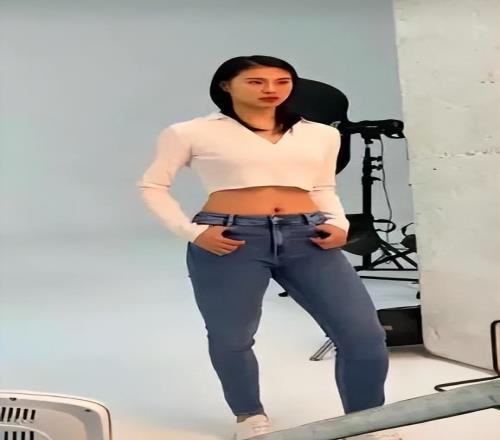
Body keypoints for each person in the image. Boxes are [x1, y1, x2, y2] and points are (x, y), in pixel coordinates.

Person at [137, 55, 402, 440]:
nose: (271, 90)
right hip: (231, 239)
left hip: (308, 236)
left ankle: (365, 422)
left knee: (364, 336)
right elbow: (153, 186)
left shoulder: (320, 134)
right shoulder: (190, 132)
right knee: (232, 336)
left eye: (282, 81)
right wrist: (192, 232)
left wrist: (339, 224)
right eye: (256, 81)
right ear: (225, 85)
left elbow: (322, 187)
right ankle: (249, 416)